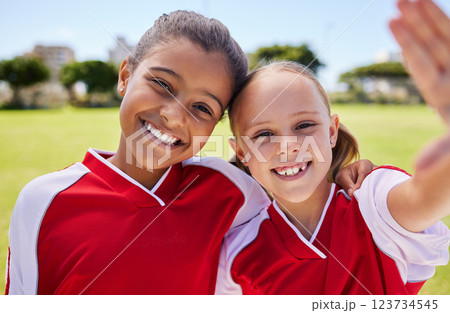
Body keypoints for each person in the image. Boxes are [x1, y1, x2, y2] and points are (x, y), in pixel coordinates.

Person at [5, 11, 371, 295]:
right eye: (162, 83)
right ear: (125, 75)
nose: (174, 115)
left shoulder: (232, 192)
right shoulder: (43, 201)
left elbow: (302, 204)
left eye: (203, 108)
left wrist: (342, 174)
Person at [216, 0, 450, 295]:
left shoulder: (372, 202)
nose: (288, 147)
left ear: (331, 131)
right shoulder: (238, 250)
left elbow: (427, 196)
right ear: (241, 153)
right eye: (264, 134)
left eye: (303, 126)